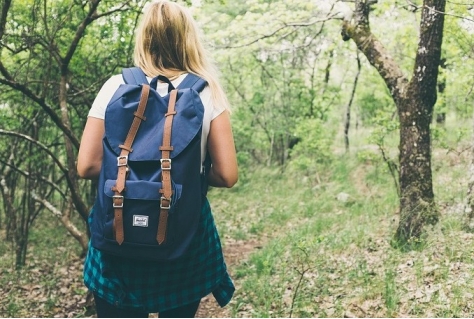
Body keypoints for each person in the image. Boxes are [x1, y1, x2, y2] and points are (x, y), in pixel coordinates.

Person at [76, 0, 238, 317]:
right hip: (183, 236)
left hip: (118, 234)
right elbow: (227, 175)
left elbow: (87, 166)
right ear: (187, 39)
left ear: (144, 38)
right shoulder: (208, 93)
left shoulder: (115, 86)